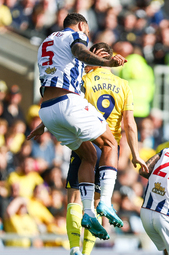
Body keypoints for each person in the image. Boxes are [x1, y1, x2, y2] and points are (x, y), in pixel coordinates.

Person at [27, 13, 128, 240]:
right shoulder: (75, 35)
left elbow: (60, 74)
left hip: (48, 110)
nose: (87, 37)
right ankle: (106, 203)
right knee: (111, 143)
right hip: (67, 104)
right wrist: (105, 62)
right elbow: (80, 52)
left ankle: (89, 213)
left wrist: (45, 123)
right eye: (88, 33)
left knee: (89, 156)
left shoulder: (47, 41)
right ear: (82, 25)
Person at [66, 42, 147, 255]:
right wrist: (135, 154)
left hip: (86, 143)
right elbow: (129, 124)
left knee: (76, 199)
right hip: (109, 151)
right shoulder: (123, 85)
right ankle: (86, 252)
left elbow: (68, 107)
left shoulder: (83, 80)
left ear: (94, 58)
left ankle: (74, 247)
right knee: (94, 202)